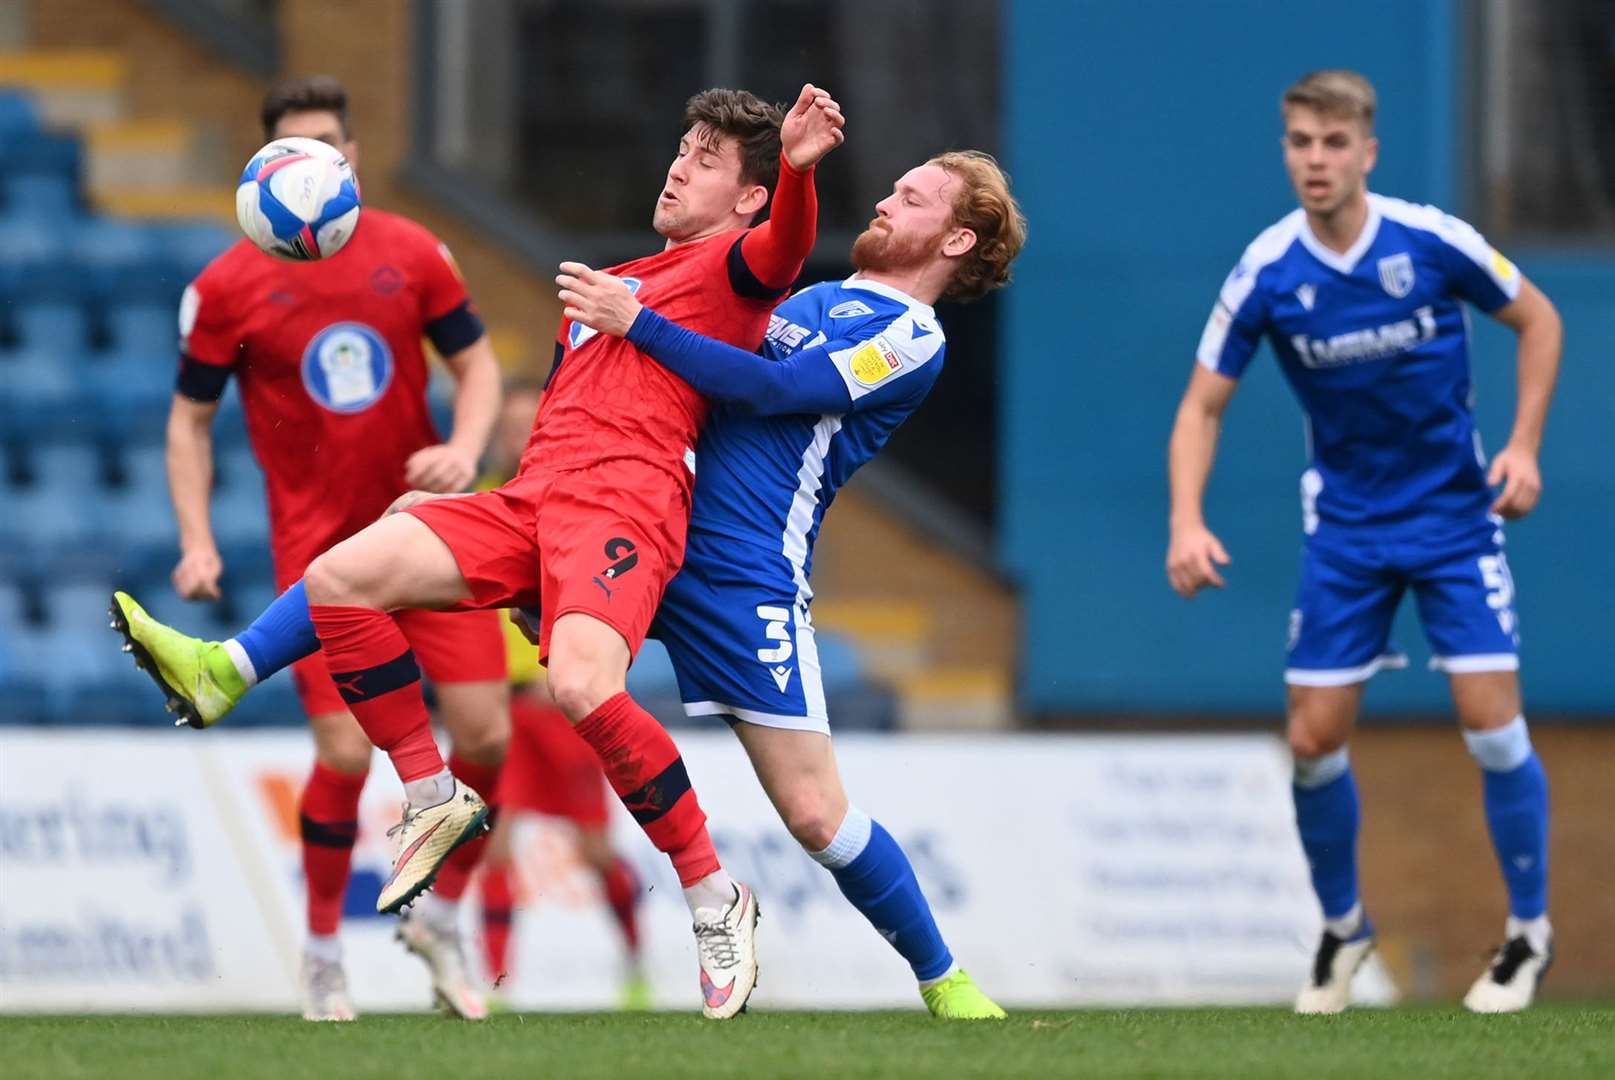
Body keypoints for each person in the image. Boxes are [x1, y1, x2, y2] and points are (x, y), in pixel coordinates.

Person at [114, 84, 844, 1019]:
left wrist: (794, 166)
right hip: (532, 497)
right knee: (344, 572)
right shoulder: (609, 283)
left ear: (746, 198)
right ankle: (362, 749)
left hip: (624, 508)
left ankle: (712, 897)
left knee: (583, 686)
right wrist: (472, 495)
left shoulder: (733, 268)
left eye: (707, 159)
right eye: (682, 144)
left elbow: (784, 246)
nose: (679, 164)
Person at [547, 149, 1026, 1019]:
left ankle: (945, 980)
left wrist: (635, 320)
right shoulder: (807, 298)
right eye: (892, 187)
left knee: (815, 815)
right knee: (440, 576)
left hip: (743, 575)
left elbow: (775, 389)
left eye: (909, 197)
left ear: (955, 237)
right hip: (651, 527)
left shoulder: (911, 337)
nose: (883, 200)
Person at [109, 75, 510, 1022]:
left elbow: (480, 365)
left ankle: (439, 920)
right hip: (322, 560)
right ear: (258, 175)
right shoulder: (226, 288)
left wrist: (463, 446)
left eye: (326, 145)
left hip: (428, 535)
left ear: (352, 157)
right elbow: (189, 422)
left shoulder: (412, 253)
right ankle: (324, 952)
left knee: (490, 735)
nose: (311, 167)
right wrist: (198, 540)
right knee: (340, 751)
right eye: (291, 152)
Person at [1165, 70, 1562, 1015]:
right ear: (1285, 149)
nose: (1316, 159)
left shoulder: (1429, 241)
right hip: (1345, 529)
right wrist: (1186, 518)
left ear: (1366, 152)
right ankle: (1342, 930)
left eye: (1333, 143)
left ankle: (1527, 933)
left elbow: (1537, 318)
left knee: (1488, 718)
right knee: (1311, 739)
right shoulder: (1266, 269)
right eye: (1300, 141)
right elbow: (1200, 405)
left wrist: (1522, 448)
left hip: (1455, 517)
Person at [471, 384, 649, 1009]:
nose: (517, 434)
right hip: (505, 709)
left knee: (597, 853)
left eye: (528, 421)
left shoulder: (571, 499)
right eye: (509, 422)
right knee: (493, 845)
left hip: (560, 707)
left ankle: (634, 964)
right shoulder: (483, 502)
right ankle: (496, 985)